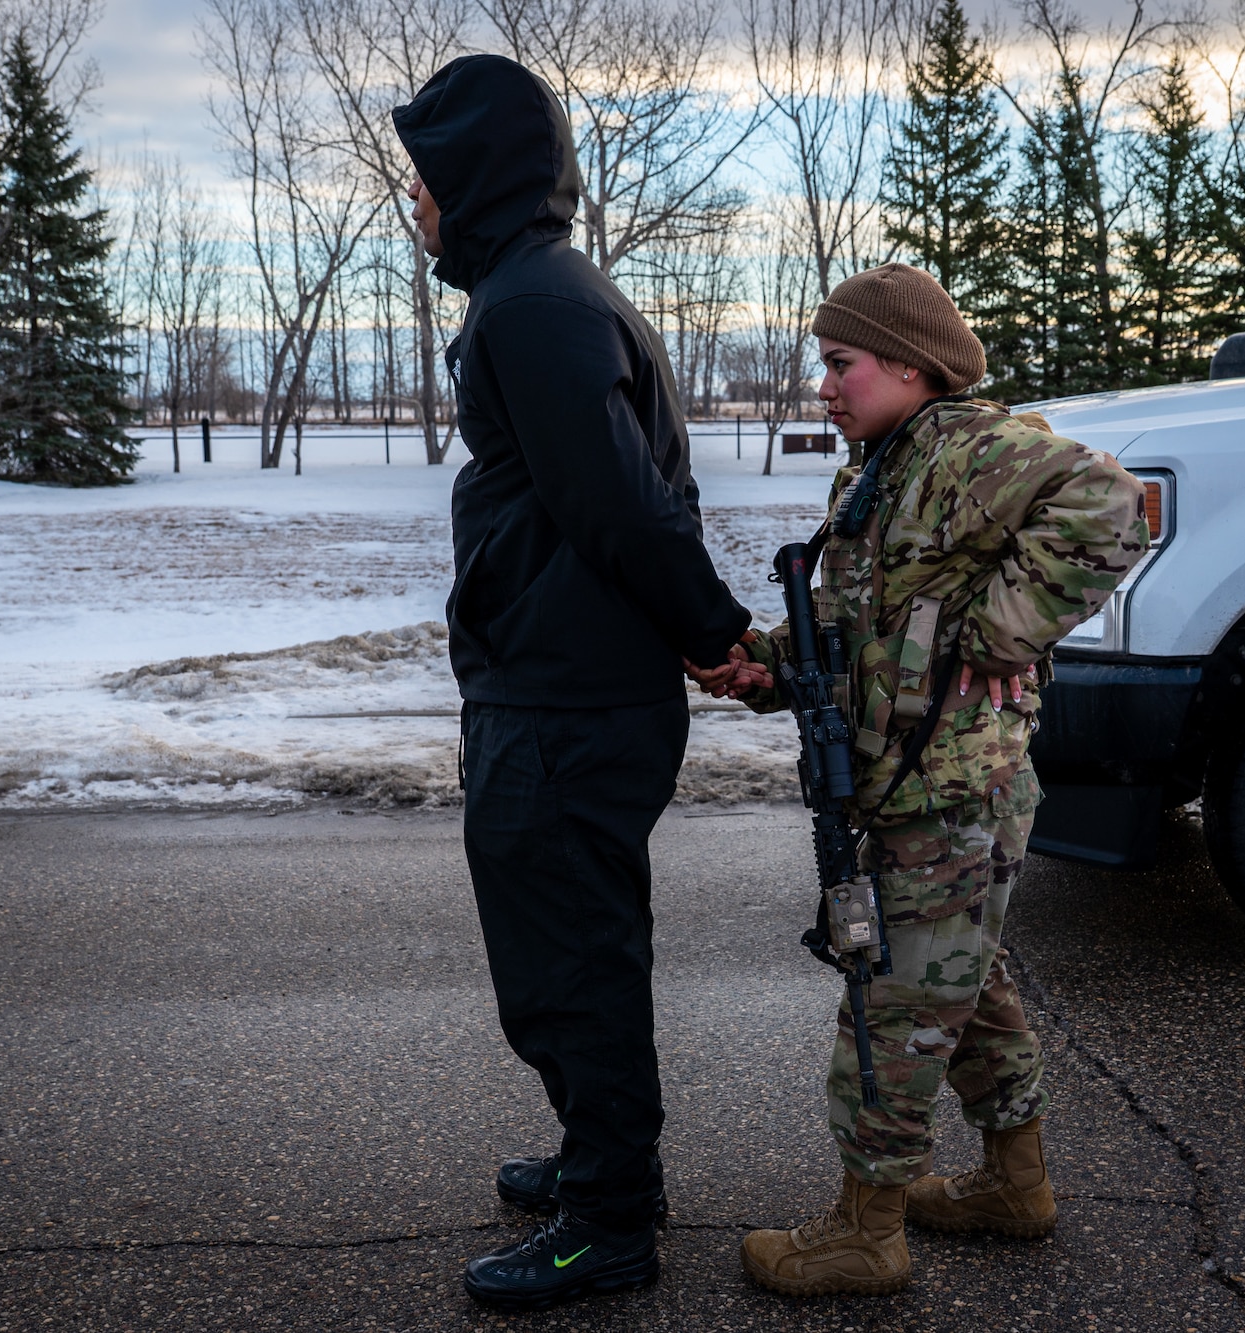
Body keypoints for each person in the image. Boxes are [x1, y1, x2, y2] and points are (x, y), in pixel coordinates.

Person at [691, 263, 1150, 1296]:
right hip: (922, 784)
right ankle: (1014, 1183)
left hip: (948, 794)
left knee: (892, 1002)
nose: (824, 385)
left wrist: (1007, 624)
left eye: (839, 363)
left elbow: (1116, 503)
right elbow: (876, 628)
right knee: (963, 983)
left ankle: (867, 1230)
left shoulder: (965, 445)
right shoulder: (886, 463)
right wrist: (770, 663)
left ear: (906, 363)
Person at [391, 55, 751, 1310]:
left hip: (564, 704)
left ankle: (607, 1221)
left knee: (571, 965)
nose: (415, 206)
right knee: (568, 954)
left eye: (425, 181)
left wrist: (712, 630)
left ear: (473, 177)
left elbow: (619, 505)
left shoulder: (533, 304)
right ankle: (604, 1165)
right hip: (559, 688)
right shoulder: (536, 291)